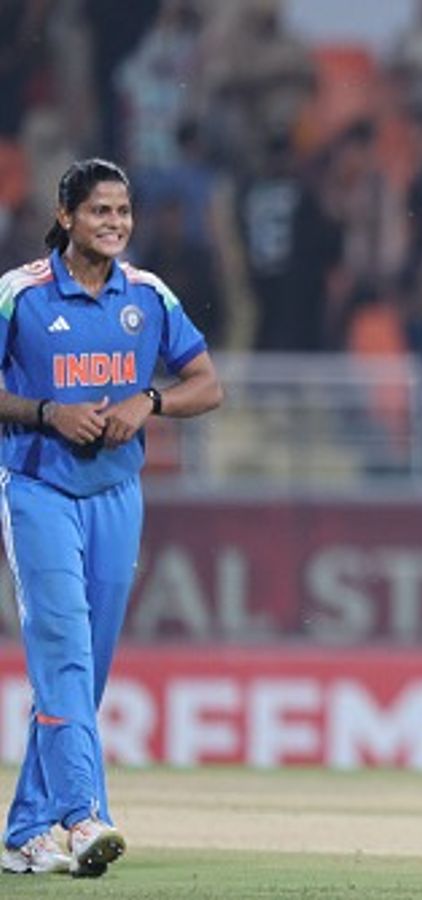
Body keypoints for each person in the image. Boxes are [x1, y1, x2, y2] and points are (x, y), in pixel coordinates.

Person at [0, 158, 223, 877]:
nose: (116, 224)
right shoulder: (20, 295)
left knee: (84, 667)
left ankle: (27, 829)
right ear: (66, 217)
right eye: (100, 211)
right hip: (39, 490)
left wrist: (148, 403)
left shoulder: (149, 295)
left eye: (123, 212)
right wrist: (45, 412)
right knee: (61, 644)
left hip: (117, 497)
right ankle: (84, 813)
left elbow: (206, 384)